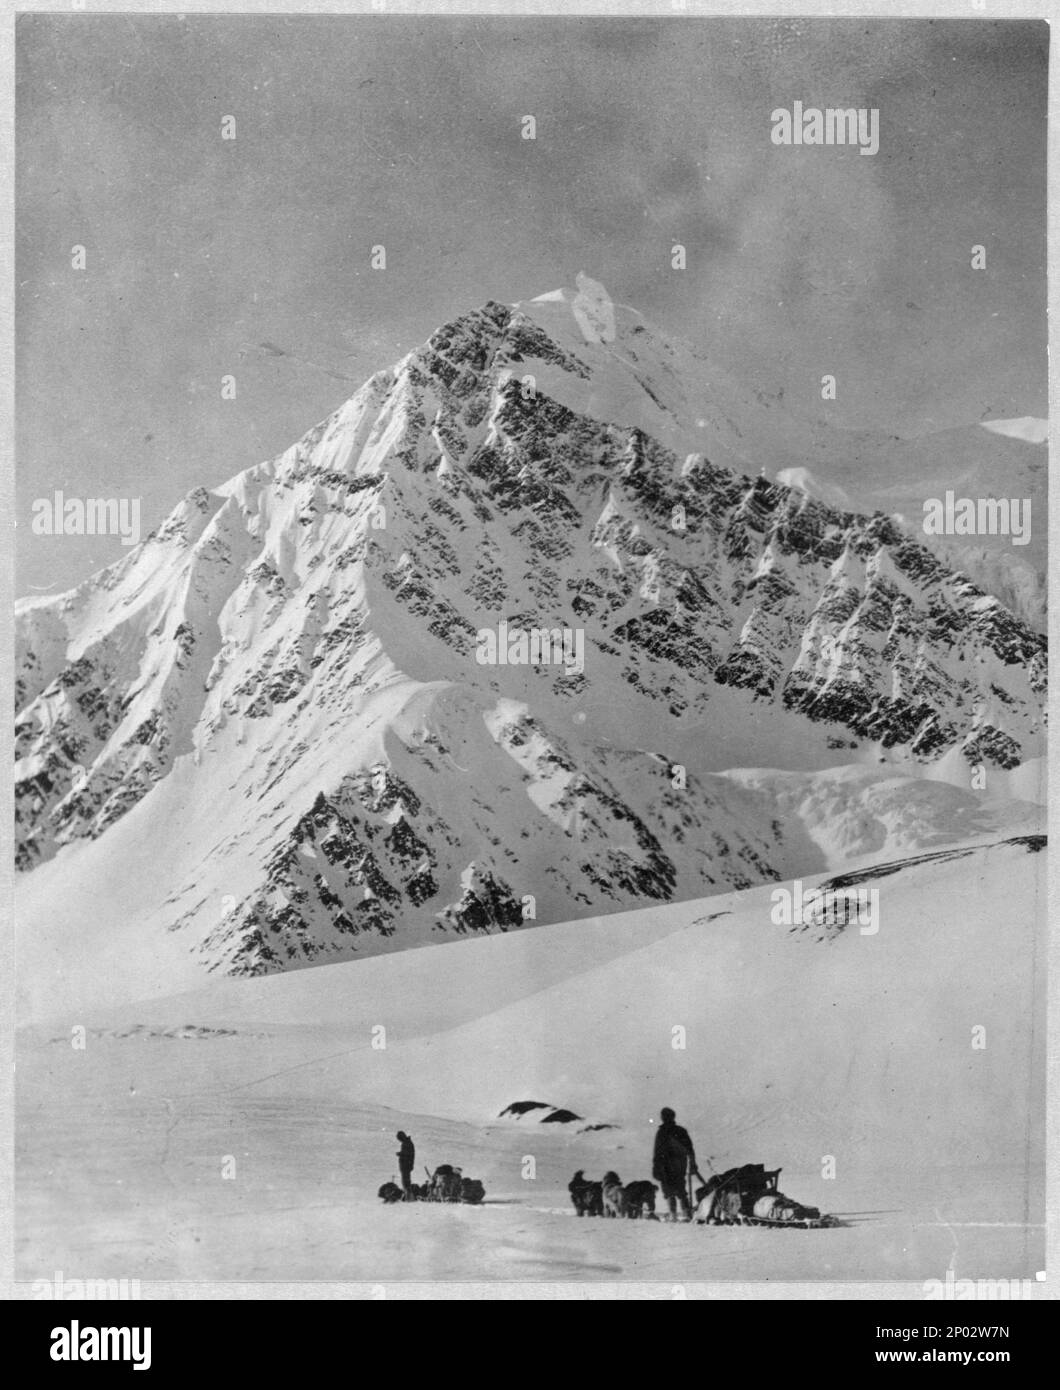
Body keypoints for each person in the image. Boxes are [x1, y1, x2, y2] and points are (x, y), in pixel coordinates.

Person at [652, 1107, 699, 1222]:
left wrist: (656, 1167)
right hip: (679, 1165)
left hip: (665, 1166)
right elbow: (690, 1149)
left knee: (669, 1191)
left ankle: (673, 1215)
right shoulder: (681, 1131)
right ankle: (687, 1214)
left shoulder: (662, 1132)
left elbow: (657, 1152)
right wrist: (692, 1163)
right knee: (681, 1190)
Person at [396, 1131, 415, 1199]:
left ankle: (409, 1198)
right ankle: (408, 1197)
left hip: (405, 1166)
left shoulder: (406, 1143)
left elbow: (407, 1154)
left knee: (406, 1183)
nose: (399, 1140)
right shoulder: (408, 1142)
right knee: (406, 1182)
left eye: (399, 1139)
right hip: (407, 1166)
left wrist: (400, 1154)